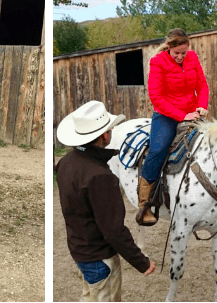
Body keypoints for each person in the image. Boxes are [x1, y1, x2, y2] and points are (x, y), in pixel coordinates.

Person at [56, 100, 156, 302]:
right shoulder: (100, 176)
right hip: (100, 259)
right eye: (110, 128)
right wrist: (142, 262)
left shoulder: (66, 163)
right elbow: (113, 230)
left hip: (80, 251)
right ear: (104, 135)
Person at [136, 28, 210, 226]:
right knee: (158, 149)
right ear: (168, 47)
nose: (180, 57)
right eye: (177, 53)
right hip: (166, 114)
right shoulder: (158, 62)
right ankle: (145, 203)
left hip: (192, 112)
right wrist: (181, 115)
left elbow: (202, 85)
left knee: (210, 142)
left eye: (183, 53)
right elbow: (156, 97)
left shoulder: (192, 58)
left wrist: (202, 105)